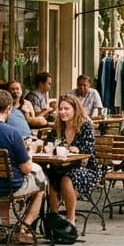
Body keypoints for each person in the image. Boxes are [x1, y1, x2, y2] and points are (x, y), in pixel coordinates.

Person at [0, 89, 48, 244]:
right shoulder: (12, 133)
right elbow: (25, 168)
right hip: (10, 186)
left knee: (3, 176)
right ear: (9, 109)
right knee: (43, 183)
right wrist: (29, 153)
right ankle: (23, 227)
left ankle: (5, 227)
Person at [45, 94, 100, 225]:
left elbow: (88, 151)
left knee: (66, 178)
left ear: (75, 109)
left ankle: (71, 219)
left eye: (66, 109)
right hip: (61, 166)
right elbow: (49, 144)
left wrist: (78, 150)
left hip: (86, 169)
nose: (63, 112)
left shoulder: (85, 126)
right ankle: (54, 218)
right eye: (60, 109)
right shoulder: (58, 127)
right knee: (50, 177)